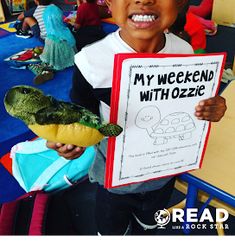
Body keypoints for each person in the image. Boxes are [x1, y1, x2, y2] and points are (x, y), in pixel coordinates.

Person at [47, 0, 227, 235]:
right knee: (112, 230)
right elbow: (81, 115)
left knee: (149, 226)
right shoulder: (91, 61)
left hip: (163, 176)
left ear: (180, 3)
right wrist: (70, 140)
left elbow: (189, 109)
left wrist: (212, 106)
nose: (144, 0)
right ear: (109, 3)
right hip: (113, 182)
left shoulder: (185, 52)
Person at [27, 4, 77, 84]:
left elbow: (47, 55)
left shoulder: (49, 38)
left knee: (35, 64)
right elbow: (73, 45)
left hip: (56, 62)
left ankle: (46, 71)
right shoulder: (67, 32)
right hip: (70, 60)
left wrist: (39, 54)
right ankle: (48, 71)